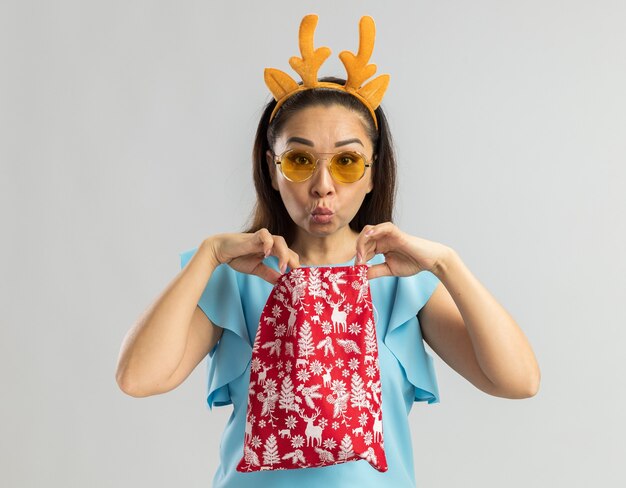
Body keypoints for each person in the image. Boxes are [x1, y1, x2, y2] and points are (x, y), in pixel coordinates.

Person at [115, 14, 541, 488]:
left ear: (373, 172)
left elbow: (518, 382)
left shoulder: (403, 280)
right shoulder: (236, 277)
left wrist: (446, 263)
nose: (323, 186)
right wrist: (209, 255)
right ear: (272, 170)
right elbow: (137, 379)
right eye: (299, 160)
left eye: (346, 161)